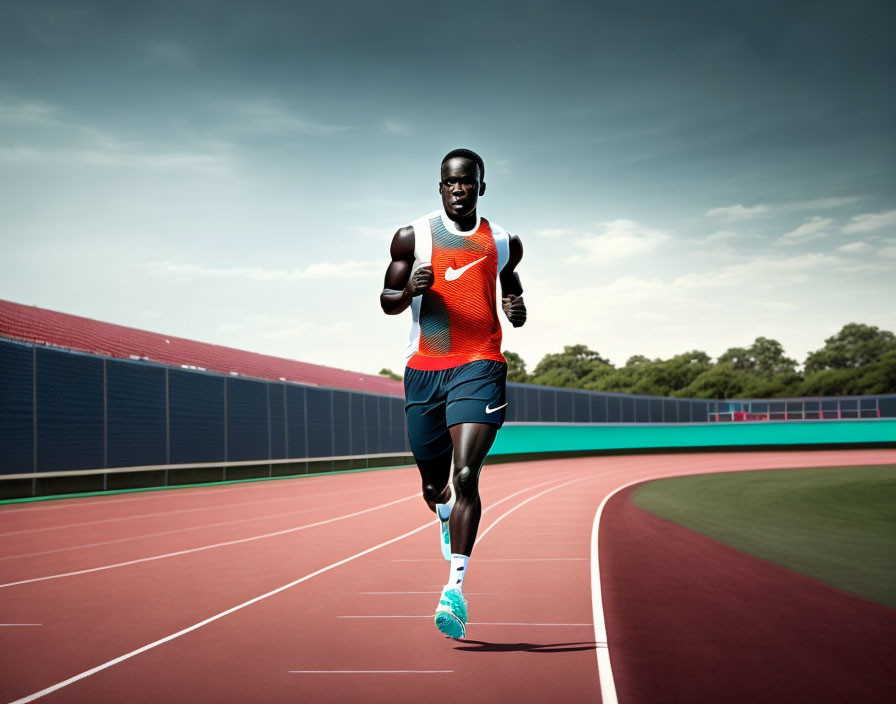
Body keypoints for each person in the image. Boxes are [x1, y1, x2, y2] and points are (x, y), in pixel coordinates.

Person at [380, 148, 526, 639]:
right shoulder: (413, 236)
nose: (458, 189)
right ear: (440, 187)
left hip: (480, 363)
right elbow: (386, 302)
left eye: (467, 182)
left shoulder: (503, 240)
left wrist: (516, 304)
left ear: (480, 185)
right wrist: (409, 293)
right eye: (450, 182)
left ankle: (455, 588)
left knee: (467, 473)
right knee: (433, 483)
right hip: (425, 368)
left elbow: (509, 280)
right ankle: (442, 511)